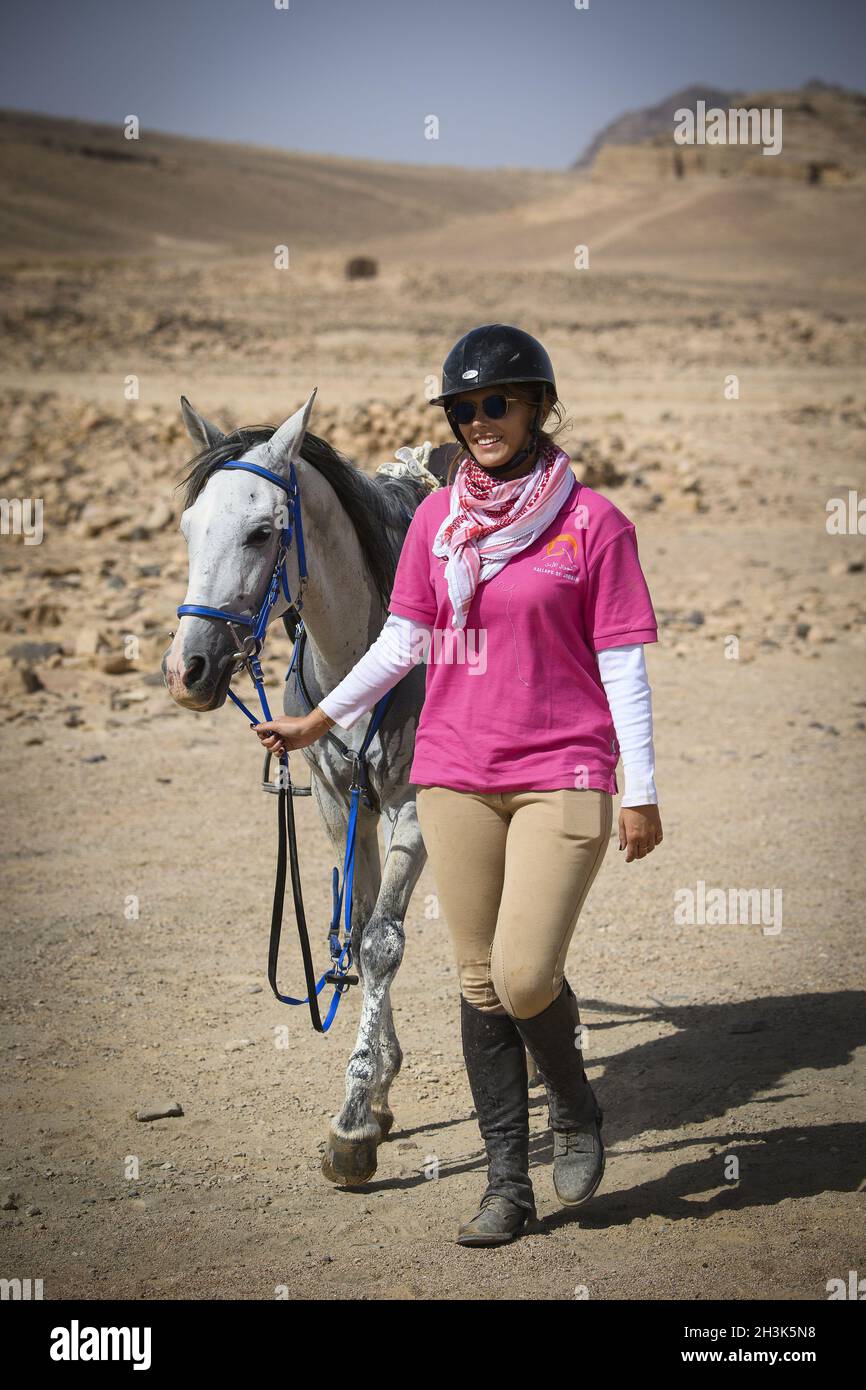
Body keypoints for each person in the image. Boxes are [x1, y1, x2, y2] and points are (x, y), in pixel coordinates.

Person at [253, 324, 663, 1247]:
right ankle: (507, 1188)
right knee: (478, 985)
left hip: (565, 771)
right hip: (455, 774)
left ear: (537, 408)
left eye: (499, 403)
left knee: (524, 977)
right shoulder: (439, 523)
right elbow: (403, 640)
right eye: (464, 408)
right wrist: (321, 719)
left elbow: (625, 661)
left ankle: (574, 1102)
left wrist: (642, 787)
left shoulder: (592, 523)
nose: (480, 421)